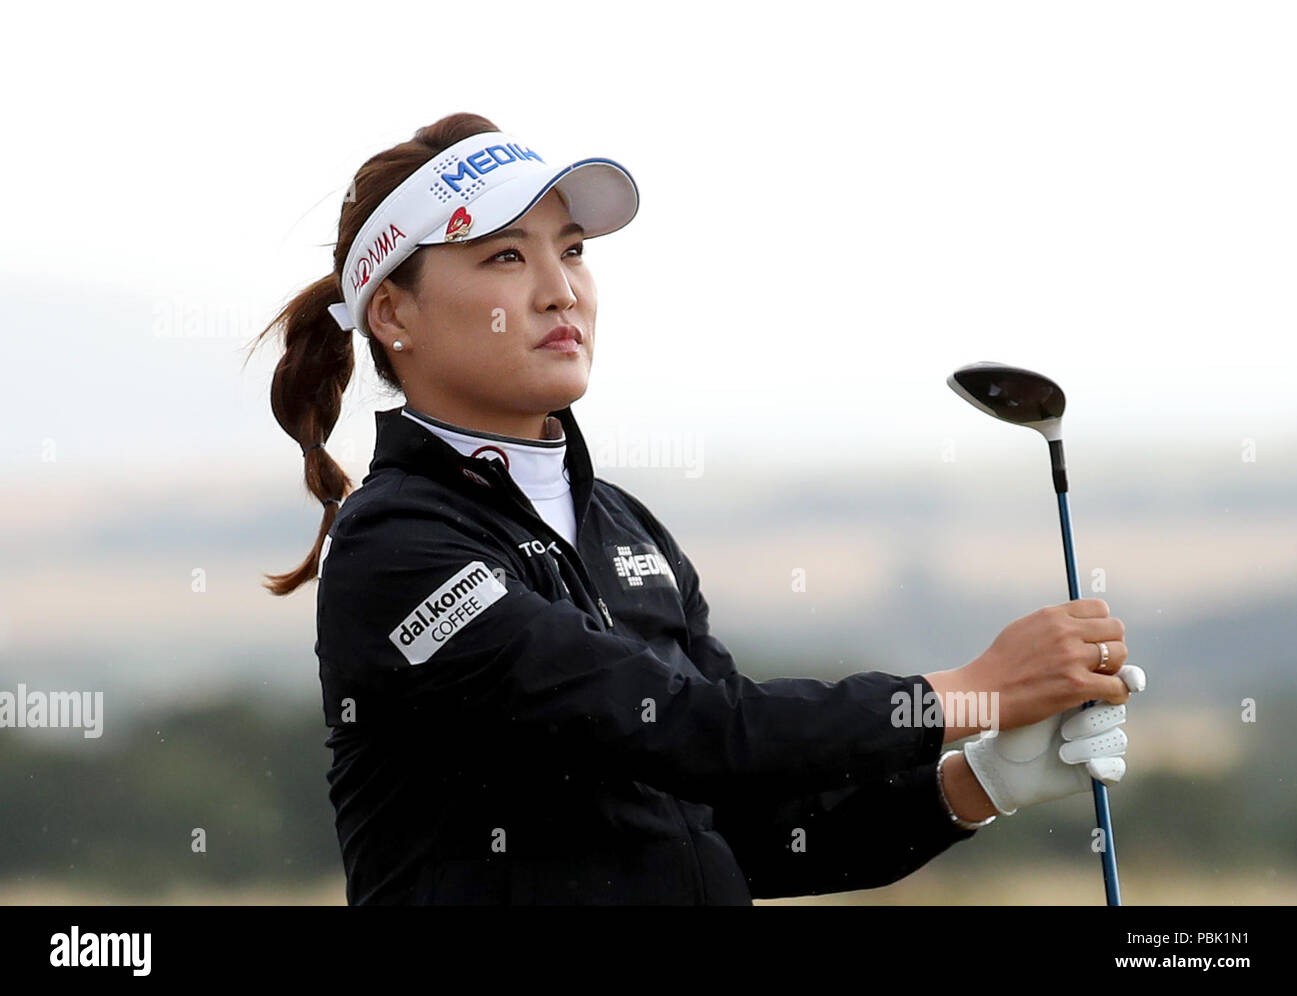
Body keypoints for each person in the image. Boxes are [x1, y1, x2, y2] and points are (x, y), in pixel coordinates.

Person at [250, 112, 1147, 905]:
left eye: (571, 249)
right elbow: (688, 728)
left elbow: (746, 833)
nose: (559, 288)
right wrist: (965, 692)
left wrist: (977, 783)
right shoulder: (397, 548)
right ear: (395, 314)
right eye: (504, 255)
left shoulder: (626, 529)